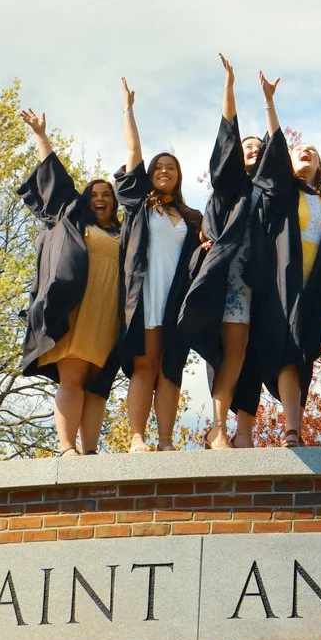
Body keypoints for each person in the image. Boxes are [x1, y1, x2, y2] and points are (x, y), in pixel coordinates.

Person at [15, 108, 136, 454]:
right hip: (78, 307)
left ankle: (90, 452)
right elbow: (56, 180)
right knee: (72, 376)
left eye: (107, 195)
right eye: (94, 194)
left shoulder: (123, 232)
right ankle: (67, 448)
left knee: (97, 384)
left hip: (109, 312)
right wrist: (41, 136)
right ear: (85, 200)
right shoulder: (74, 222)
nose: (101, 198)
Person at [235, 75, 321, 446]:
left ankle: (293, 429)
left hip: (312, 292)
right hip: (276, 287)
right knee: (270, 354)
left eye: (313, 151)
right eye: (300, 149)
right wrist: (269, 104)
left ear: (320, 164)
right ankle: (260, 432)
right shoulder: (282, 194)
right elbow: (276, 149)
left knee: (300, 357)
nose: (306, 152)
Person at [174, 56, 260, 449]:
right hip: (227, 277)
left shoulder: (271, 192)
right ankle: (219, 427)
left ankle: (240, 430)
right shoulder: (231, 188)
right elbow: (227, 139)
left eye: (259, 147)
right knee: (227, 353)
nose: (252, 149)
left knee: (246, 354)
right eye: (247, 146)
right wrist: (230, 89)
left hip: (259, 282)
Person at [116, 79, 202, 451]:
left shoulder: (190, 216)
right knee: (145, 366)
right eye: (159, 167)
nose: (165, 170)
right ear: (150, 174)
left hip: (177, 299)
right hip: (146, 295)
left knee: (171, 370)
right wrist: (129, 110)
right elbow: (133, 151)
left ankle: (166, 440)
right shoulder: (138, 205)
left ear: (179, 177)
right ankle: (137, 437)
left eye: (172, 167)